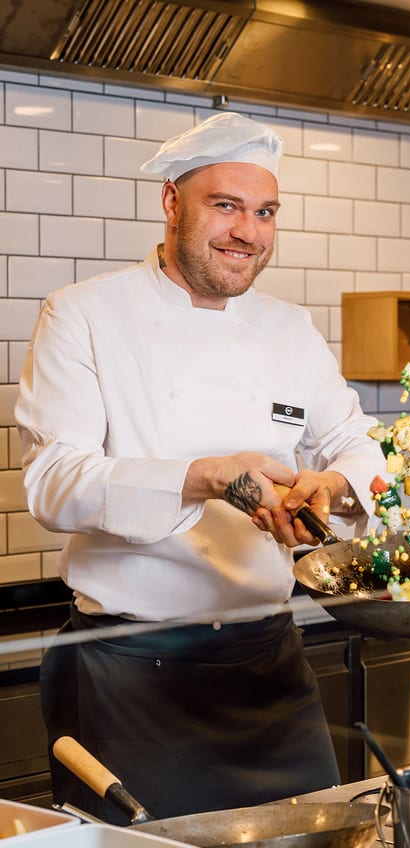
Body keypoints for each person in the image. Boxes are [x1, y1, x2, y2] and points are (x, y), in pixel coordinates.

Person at [14, 112, 384, 823]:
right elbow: (54, 483)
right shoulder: (83, 315)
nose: (248, 231)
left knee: (324, 839)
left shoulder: (288, 329)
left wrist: (331, 483)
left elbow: (357, 445)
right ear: (172, 203)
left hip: (268, 662)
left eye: (265, 212)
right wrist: (208, 477)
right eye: (226, 206)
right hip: (131, 669)